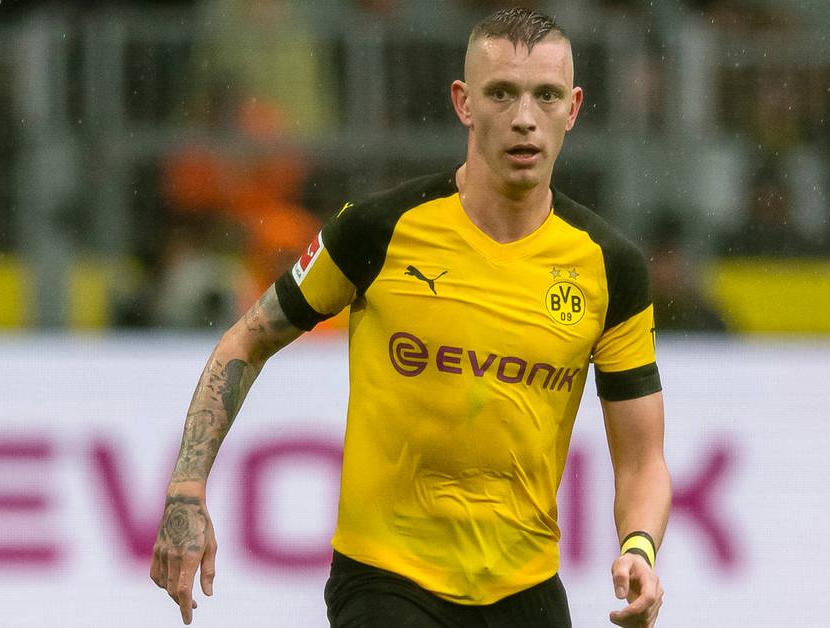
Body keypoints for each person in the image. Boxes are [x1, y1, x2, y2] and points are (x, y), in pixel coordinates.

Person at [150, 8, 670, 628]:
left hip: (525, 587)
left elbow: (642, 460)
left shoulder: (610, 267)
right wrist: (186, 489)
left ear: (574, 107)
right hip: (385, 582)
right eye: (501, 93)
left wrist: (640, 548)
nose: (524, 117)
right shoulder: (379, 228)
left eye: (546, 95)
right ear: (464, 103)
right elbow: (247, 341)